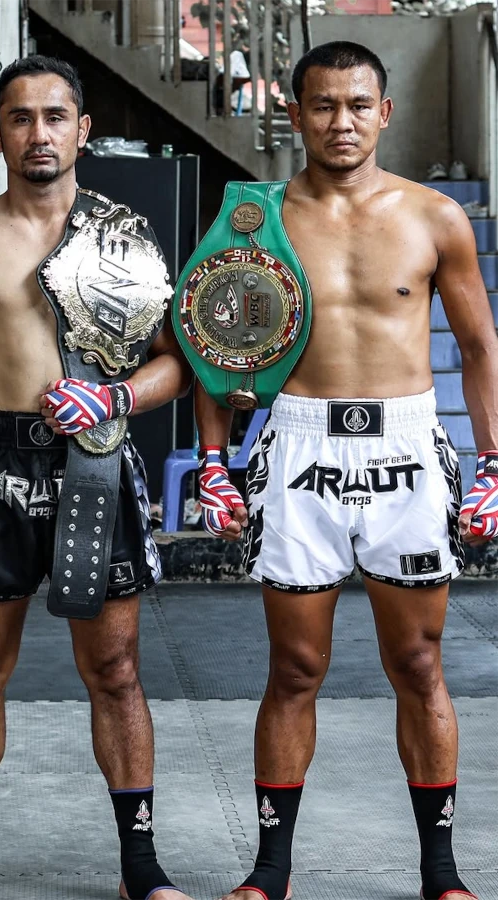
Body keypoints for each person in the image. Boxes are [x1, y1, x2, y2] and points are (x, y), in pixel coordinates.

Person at [192, 41, 497, 900]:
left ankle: (442, 874)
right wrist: (215, 461)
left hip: (405, 443)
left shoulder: (435, 216)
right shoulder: (256, 217)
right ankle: (270, 872)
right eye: (323, 105)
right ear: (294, 113)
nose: (342, 122)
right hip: (298, 444)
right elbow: (211, 341)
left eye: (358, 104)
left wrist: (496, 461)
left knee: (421, 663)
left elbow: (479, 347)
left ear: (384, 112)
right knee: (293, 670)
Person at [0, 55, 194, 900]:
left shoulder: (126, 233)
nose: (39, 133)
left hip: (95, 460)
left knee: (116, 673)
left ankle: (142, 868)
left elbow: (177, 364)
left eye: (56, 116)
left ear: (82, 130)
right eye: (21, 117)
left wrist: (116, 393)